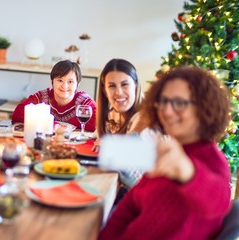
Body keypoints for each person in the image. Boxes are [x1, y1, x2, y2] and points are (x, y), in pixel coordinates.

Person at [99, 66, 232, 239]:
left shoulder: (211, 159)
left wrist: (189, 173)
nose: (166, 111)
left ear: (204, 107)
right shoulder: (168, 150)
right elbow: (130, 205)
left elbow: (219, 203)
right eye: (162, 102)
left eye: (179, 103)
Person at [95, 59, 149, 189]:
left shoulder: (147, 117)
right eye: (112, 86)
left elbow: (138, 181)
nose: (118, 92)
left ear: (135, 85)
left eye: (125, 84)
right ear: (105, 90)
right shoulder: (113, 114)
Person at [12, 60, 97, 132]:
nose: (65, 86)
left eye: (70, 82)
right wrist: (55, 124)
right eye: (60, 80)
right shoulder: (43, 96)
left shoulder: (84, 101)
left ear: (77, 84)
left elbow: (99, 122)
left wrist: (47, 121)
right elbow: (17, 114)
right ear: (52, 81)